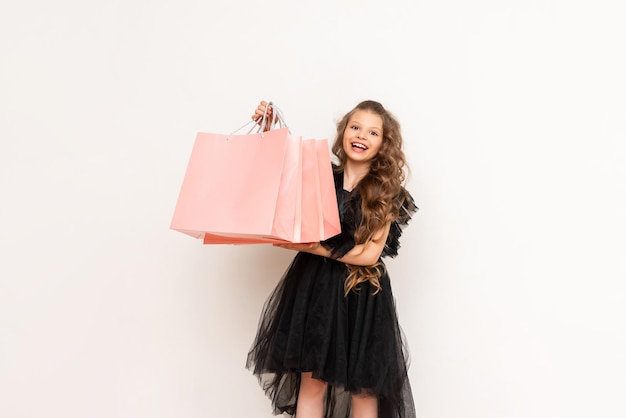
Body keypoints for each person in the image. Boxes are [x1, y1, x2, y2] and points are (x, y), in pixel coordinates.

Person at [247, 100, 418, 418]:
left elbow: (368, 255)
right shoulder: (320, 176)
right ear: (343, 133)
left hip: (363, 295)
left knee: (364, 390)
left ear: (383, 145)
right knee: (313, 382)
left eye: (372, 132)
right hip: (318, 291)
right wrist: (271, 127)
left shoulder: (387, 192)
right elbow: (284, 170)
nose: (361, 135)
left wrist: (312, 247)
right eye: (355, 127)